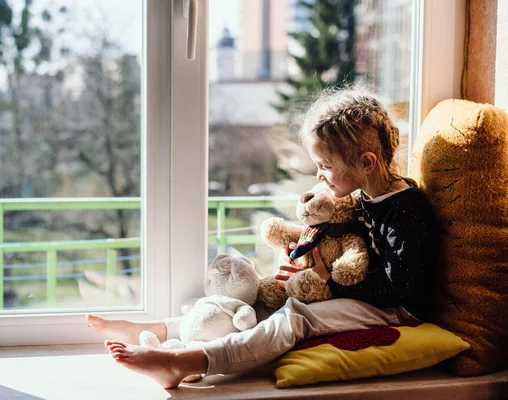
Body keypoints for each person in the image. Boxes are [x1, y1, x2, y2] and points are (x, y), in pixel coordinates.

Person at [86, 87, 440, 389]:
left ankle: (187, 362)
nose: (319, 174)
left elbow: (399, 287)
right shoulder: (364, 196)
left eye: (326, 165)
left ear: (367, 162)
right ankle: (162, 330)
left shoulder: (405, 208)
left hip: (395, 310)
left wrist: (328, 284)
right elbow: (348, 242)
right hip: (360, 292)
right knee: (260, 299)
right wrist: (307, 261)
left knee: (295, 316)